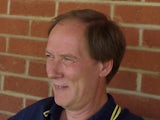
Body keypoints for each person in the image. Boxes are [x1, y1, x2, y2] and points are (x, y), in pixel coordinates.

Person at [8, 9, 143, 120]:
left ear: (104, 66)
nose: (51, 72)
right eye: (50, 56)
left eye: (67, 58)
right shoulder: (38, 113)